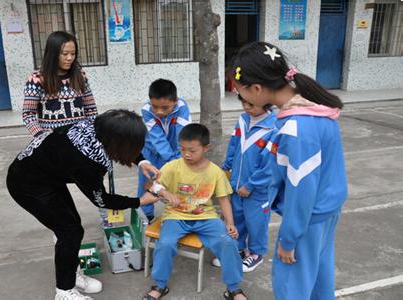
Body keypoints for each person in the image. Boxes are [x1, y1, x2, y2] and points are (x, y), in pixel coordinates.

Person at [232, 41, 347, 300]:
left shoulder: (297, 126)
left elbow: (301, 188)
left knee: (290, 287)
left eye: (242, 92)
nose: (243, 99)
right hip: (325, 209)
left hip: (307, 218)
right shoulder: (313, 106)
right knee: (318, 277)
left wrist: (289, 238)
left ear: (258, 89)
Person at [6, 110, 161, 300]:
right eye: (134, 147)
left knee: (70, 226)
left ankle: (71, 273)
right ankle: (64, 291)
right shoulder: (86, 162)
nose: (137, 148)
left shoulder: (98, 126)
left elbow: (120, 142)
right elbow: (101, 200)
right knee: (69, 231)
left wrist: (142, 161)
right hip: (27, 185)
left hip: (45, 176)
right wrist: (140, 201)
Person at [143, 124, 246, 300]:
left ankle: (233, 288)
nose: (187, 154)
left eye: (192, 150)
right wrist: (163, 191)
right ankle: (160, 285)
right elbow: (149, 185)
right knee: (165, 244)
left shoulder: (215, 172)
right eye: (182, 149)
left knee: (228, 242)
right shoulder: (173, 166)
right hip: (175, 216)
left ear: (206, 148)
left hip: (206, 217)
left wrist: (229, 223)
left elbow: (223, 200)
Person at [212, 94, 277, 273]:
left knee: (256, 222)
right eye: (244, 103)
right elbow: (233, 145)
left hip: (258, 190)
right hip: (236, 184)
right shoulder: (242, 119)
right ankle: (238, 249)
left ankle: (256, 254)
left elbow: (269, 164)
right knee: (236, 218)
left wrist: (250, 185)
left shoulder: (273, 127)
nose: (247, 107)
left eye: (252, 105)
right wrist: (226, 167)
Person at [22, 31, 97, 137]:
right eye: (65, 54)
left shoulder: (80, 75)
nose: (70, 58)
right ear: (53, 54)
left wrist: (91, 134)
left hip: (80, 140)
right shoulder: (36, 79)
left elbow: (91, 110)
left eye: (73, 53)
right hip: (52, 143)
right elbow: (28, 115)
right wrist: (42, 137)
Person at [137, 79, 191, 222]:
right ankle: (146, 215)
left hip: (174, 152)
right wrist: (173, 161)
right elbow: (157, 138)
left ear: (175, 101)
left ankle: (178, 212)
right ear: (150, 101)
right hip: (150, 152)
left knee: (174, 182)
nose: (159, 112)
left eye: (165, 108)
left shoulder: (182, 107)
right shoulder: (146, 110)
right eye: (155, 107)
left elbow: (183, 136)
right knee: (147, 182)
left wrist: (178, 161)